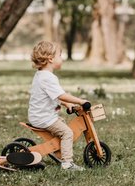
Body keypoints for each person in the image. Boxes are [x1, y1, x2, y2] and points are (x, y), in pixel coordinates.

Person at [28, 41, 89, 171]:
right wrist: (80, 101)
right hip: (43, 118)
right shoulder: (47, 78)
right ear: (50, 58)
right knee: (67, 133)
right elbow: (61, 95)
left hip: (42, 116)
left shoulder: (42, 75)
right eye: (60, 55)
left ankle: (58, 153)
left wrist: (67, 104)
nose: (62, 58)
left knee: (61, 126)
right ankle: (67, 163)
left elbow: (54, 96)